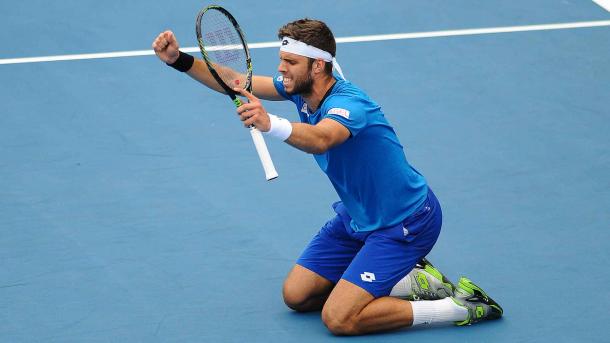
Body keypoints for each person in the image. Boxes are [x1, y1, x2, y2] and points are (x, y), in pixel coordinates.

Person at [152, 18, 502, 335]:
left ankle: (456, 307)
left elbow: (322, 139)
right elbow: (236, 81)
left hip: (404, 223)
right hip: (359, 215)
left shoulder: (350, 105)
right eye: (281, 60)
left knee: (339, 319)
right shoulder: (300, 88)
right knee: (297, 296)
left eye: (290, 63)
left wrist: (270, 123)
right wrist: (178, 60)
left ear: (317, 66)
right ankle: (412, 279)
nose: (281, 69)